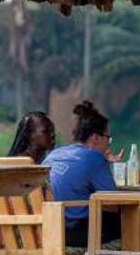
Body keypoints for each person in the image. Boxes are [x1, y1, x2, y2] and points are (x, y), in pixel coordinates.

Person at [43, 100, 119, 240]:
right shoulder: (94, 158)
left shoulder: (53, 155)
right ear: (95, 137)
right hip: (77, 232)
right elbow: (113, 203)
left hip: (51, 229)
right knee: (130, 219)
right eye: (108, 138)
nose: (109, 143)